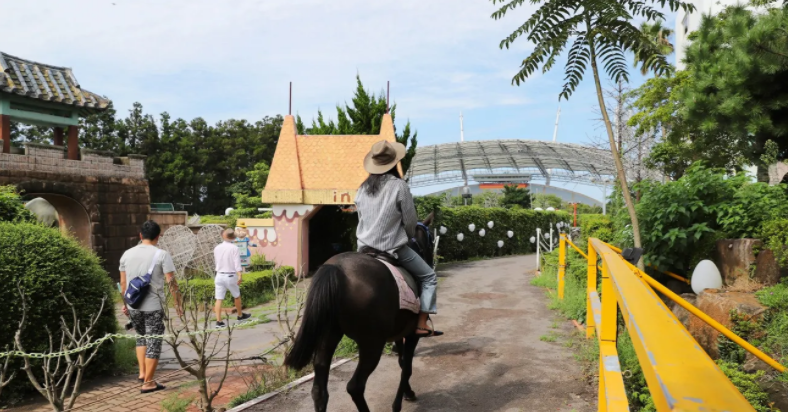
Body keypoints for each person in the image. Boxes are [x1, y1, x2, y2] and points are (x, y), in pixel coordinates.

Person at [355, 140, 443, 337]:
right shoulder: (399, 186)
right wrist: (409, 237)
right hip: (392, 249)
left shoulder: (362, 188)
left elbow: (361, 219)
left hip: (363, 250)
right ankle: (422, 323)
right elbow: (411, 223)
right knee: (429, 277)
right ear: (394, 162)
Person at [120, 220, 181, 394]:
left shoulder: (127, 254)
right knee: (153, 342)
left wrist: (126, 304)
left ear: (140, 235)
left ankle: (142, 373)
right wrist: (178, 303)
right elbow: (171, 282)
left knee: (141, 337)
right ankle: (148, 383)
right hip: (153, 306)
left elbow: (123, 283)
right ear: (158, 237)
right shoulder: (162, 254)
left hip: (134, 305)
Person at [213, 228, 252, 327]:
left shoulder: (217, 248)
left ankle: (218, 321)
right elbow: (237, 263)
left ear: (223, 236)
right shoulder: (234, 248)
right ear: (233, 237)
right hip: (230, 275)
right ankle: (240, 315)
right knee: (236, 295)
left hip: (219, 275)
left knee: (219, 299)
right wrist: (240, 275)